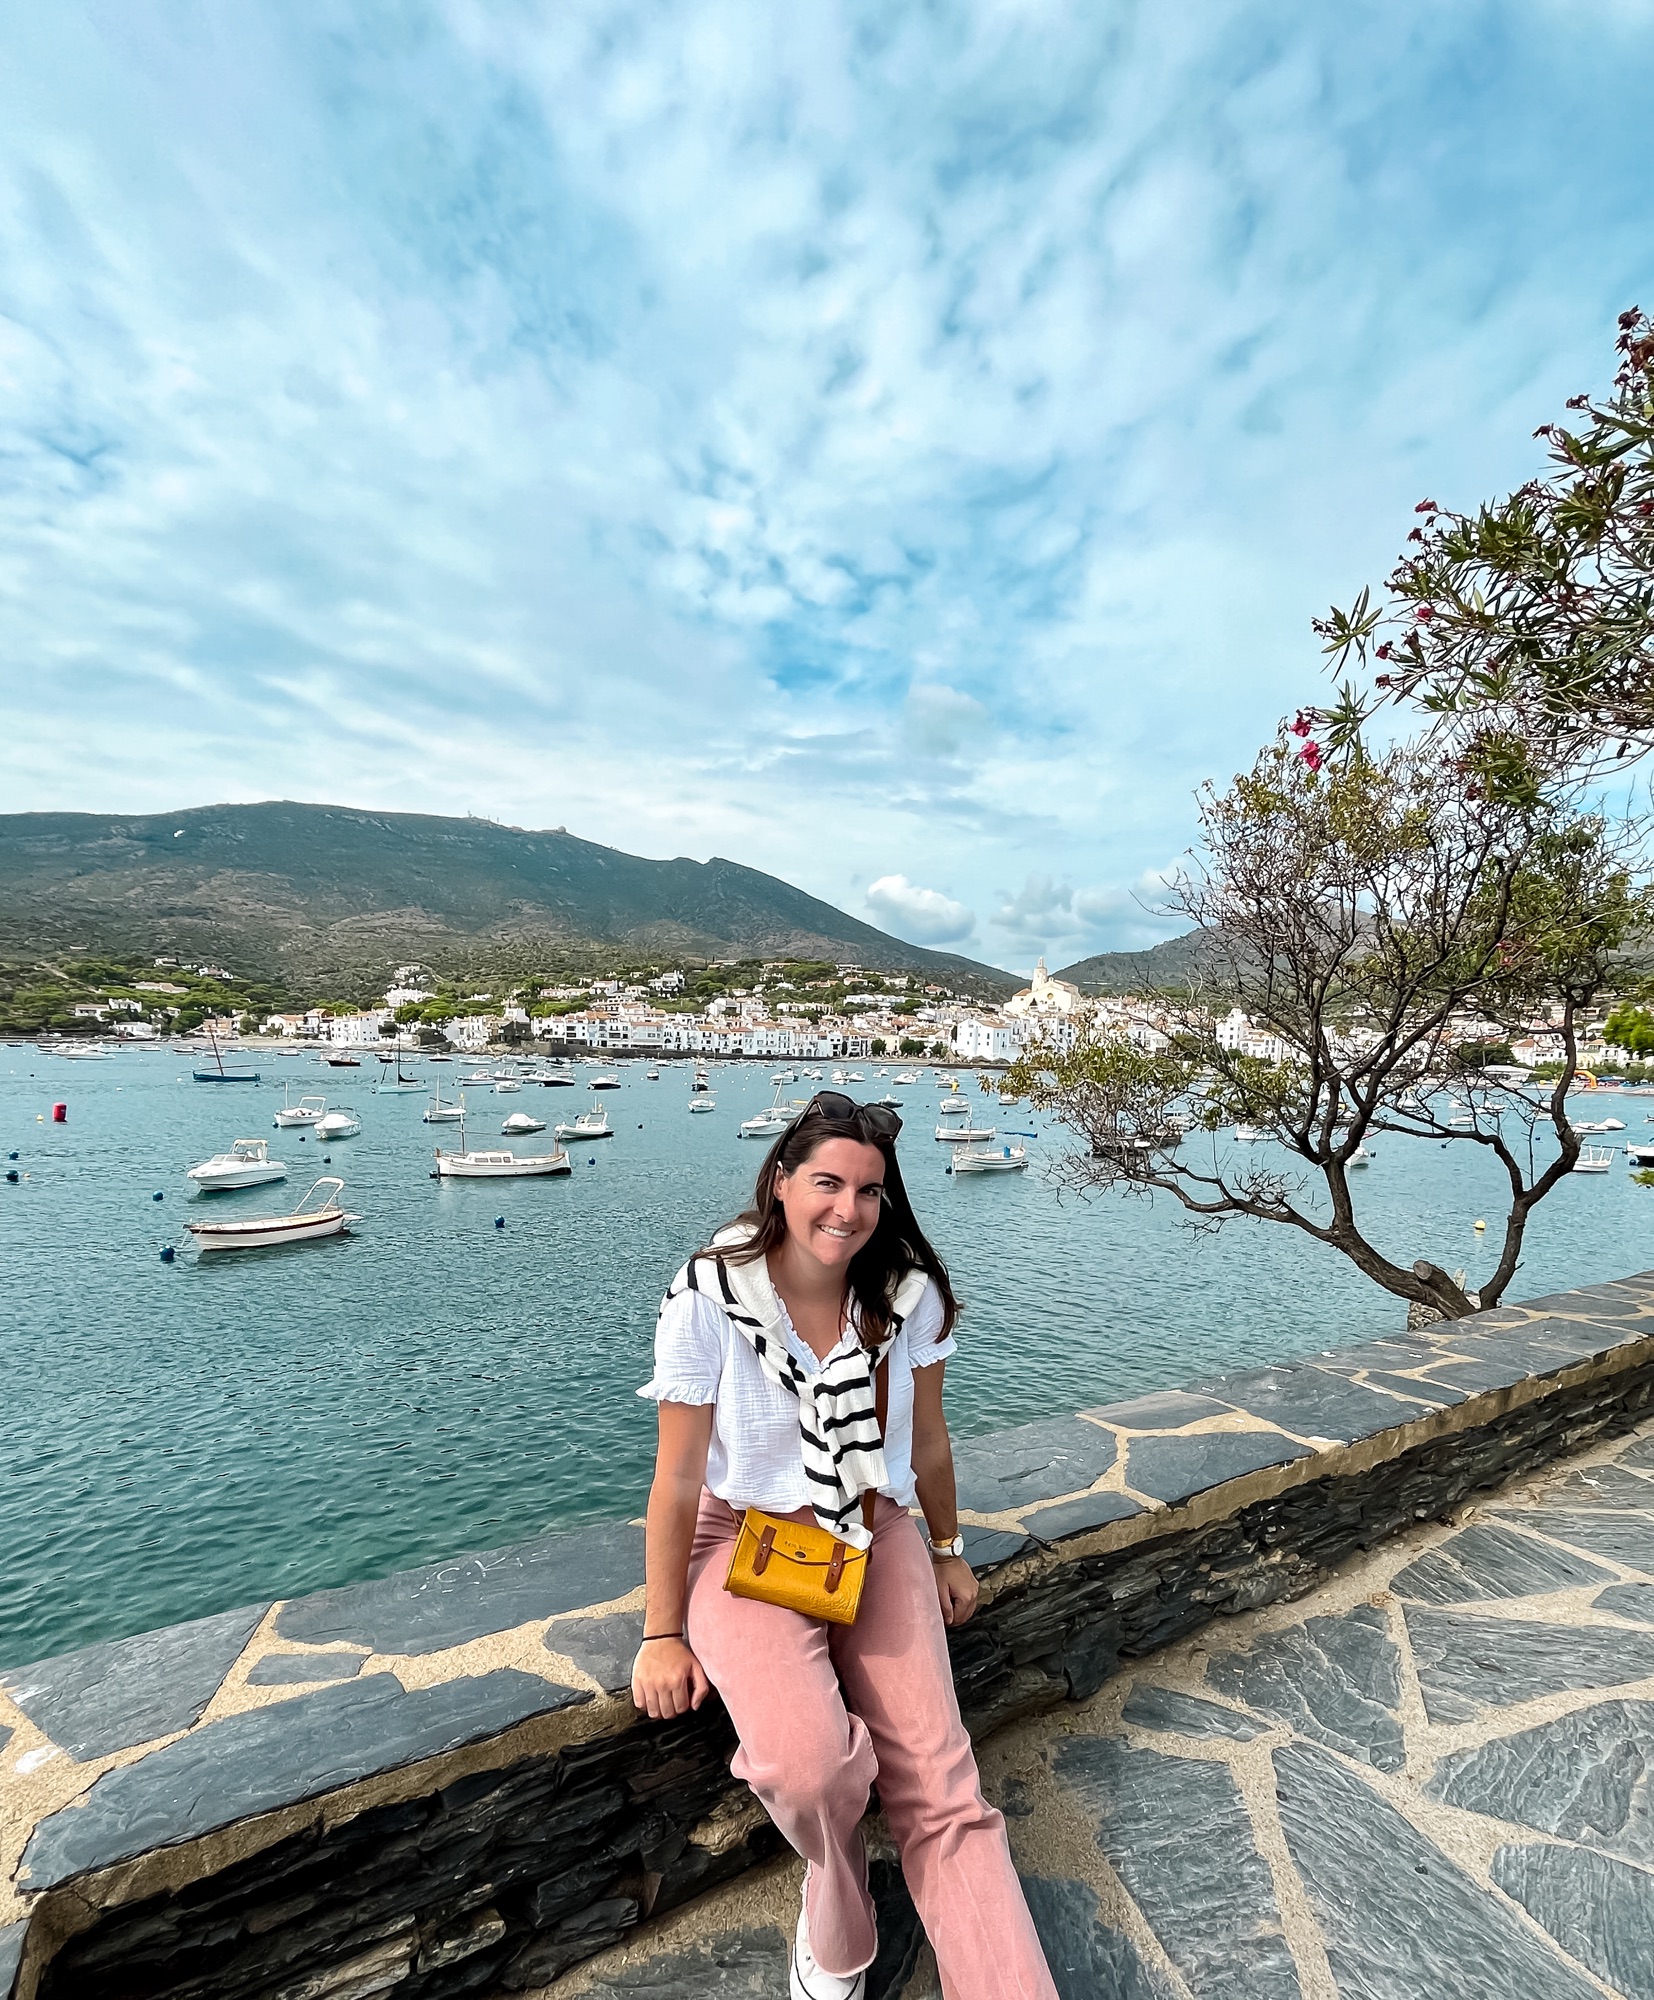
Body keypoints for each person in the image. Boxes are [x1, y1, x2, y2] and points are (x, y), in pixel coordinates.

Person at [633, 1091, 1058, 2000]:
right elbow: (676, 1481)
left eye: (868, 1191)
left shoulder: (908, 1298)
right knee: (808, 1767)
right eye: (826, 1181)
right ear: (781, 1183)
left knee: (943, 1787)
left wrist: (946, 1546)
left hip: (872, 1523)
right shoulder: (709, 1295)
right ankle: (839, 1909)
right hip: (740, 1539)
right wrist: (660, 1633)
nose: (847, 1208)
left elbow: (931, 1441)